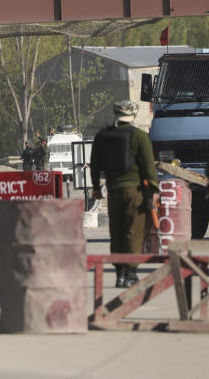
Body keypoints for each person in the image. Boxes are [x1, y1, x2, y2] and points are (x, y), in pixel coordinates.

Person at [89, 100, 158, 289]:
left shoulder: (102, 136)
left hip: (113, 190)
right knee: (134, 232)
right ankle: (130, 273)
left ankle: (119, 274)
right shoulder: (139, 136)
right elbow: (149, 167)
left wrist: (95, 186)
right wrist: (153, 190)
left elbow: (94, 164)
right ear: (133, 114)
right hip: (135, 191)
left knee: (117, 231)